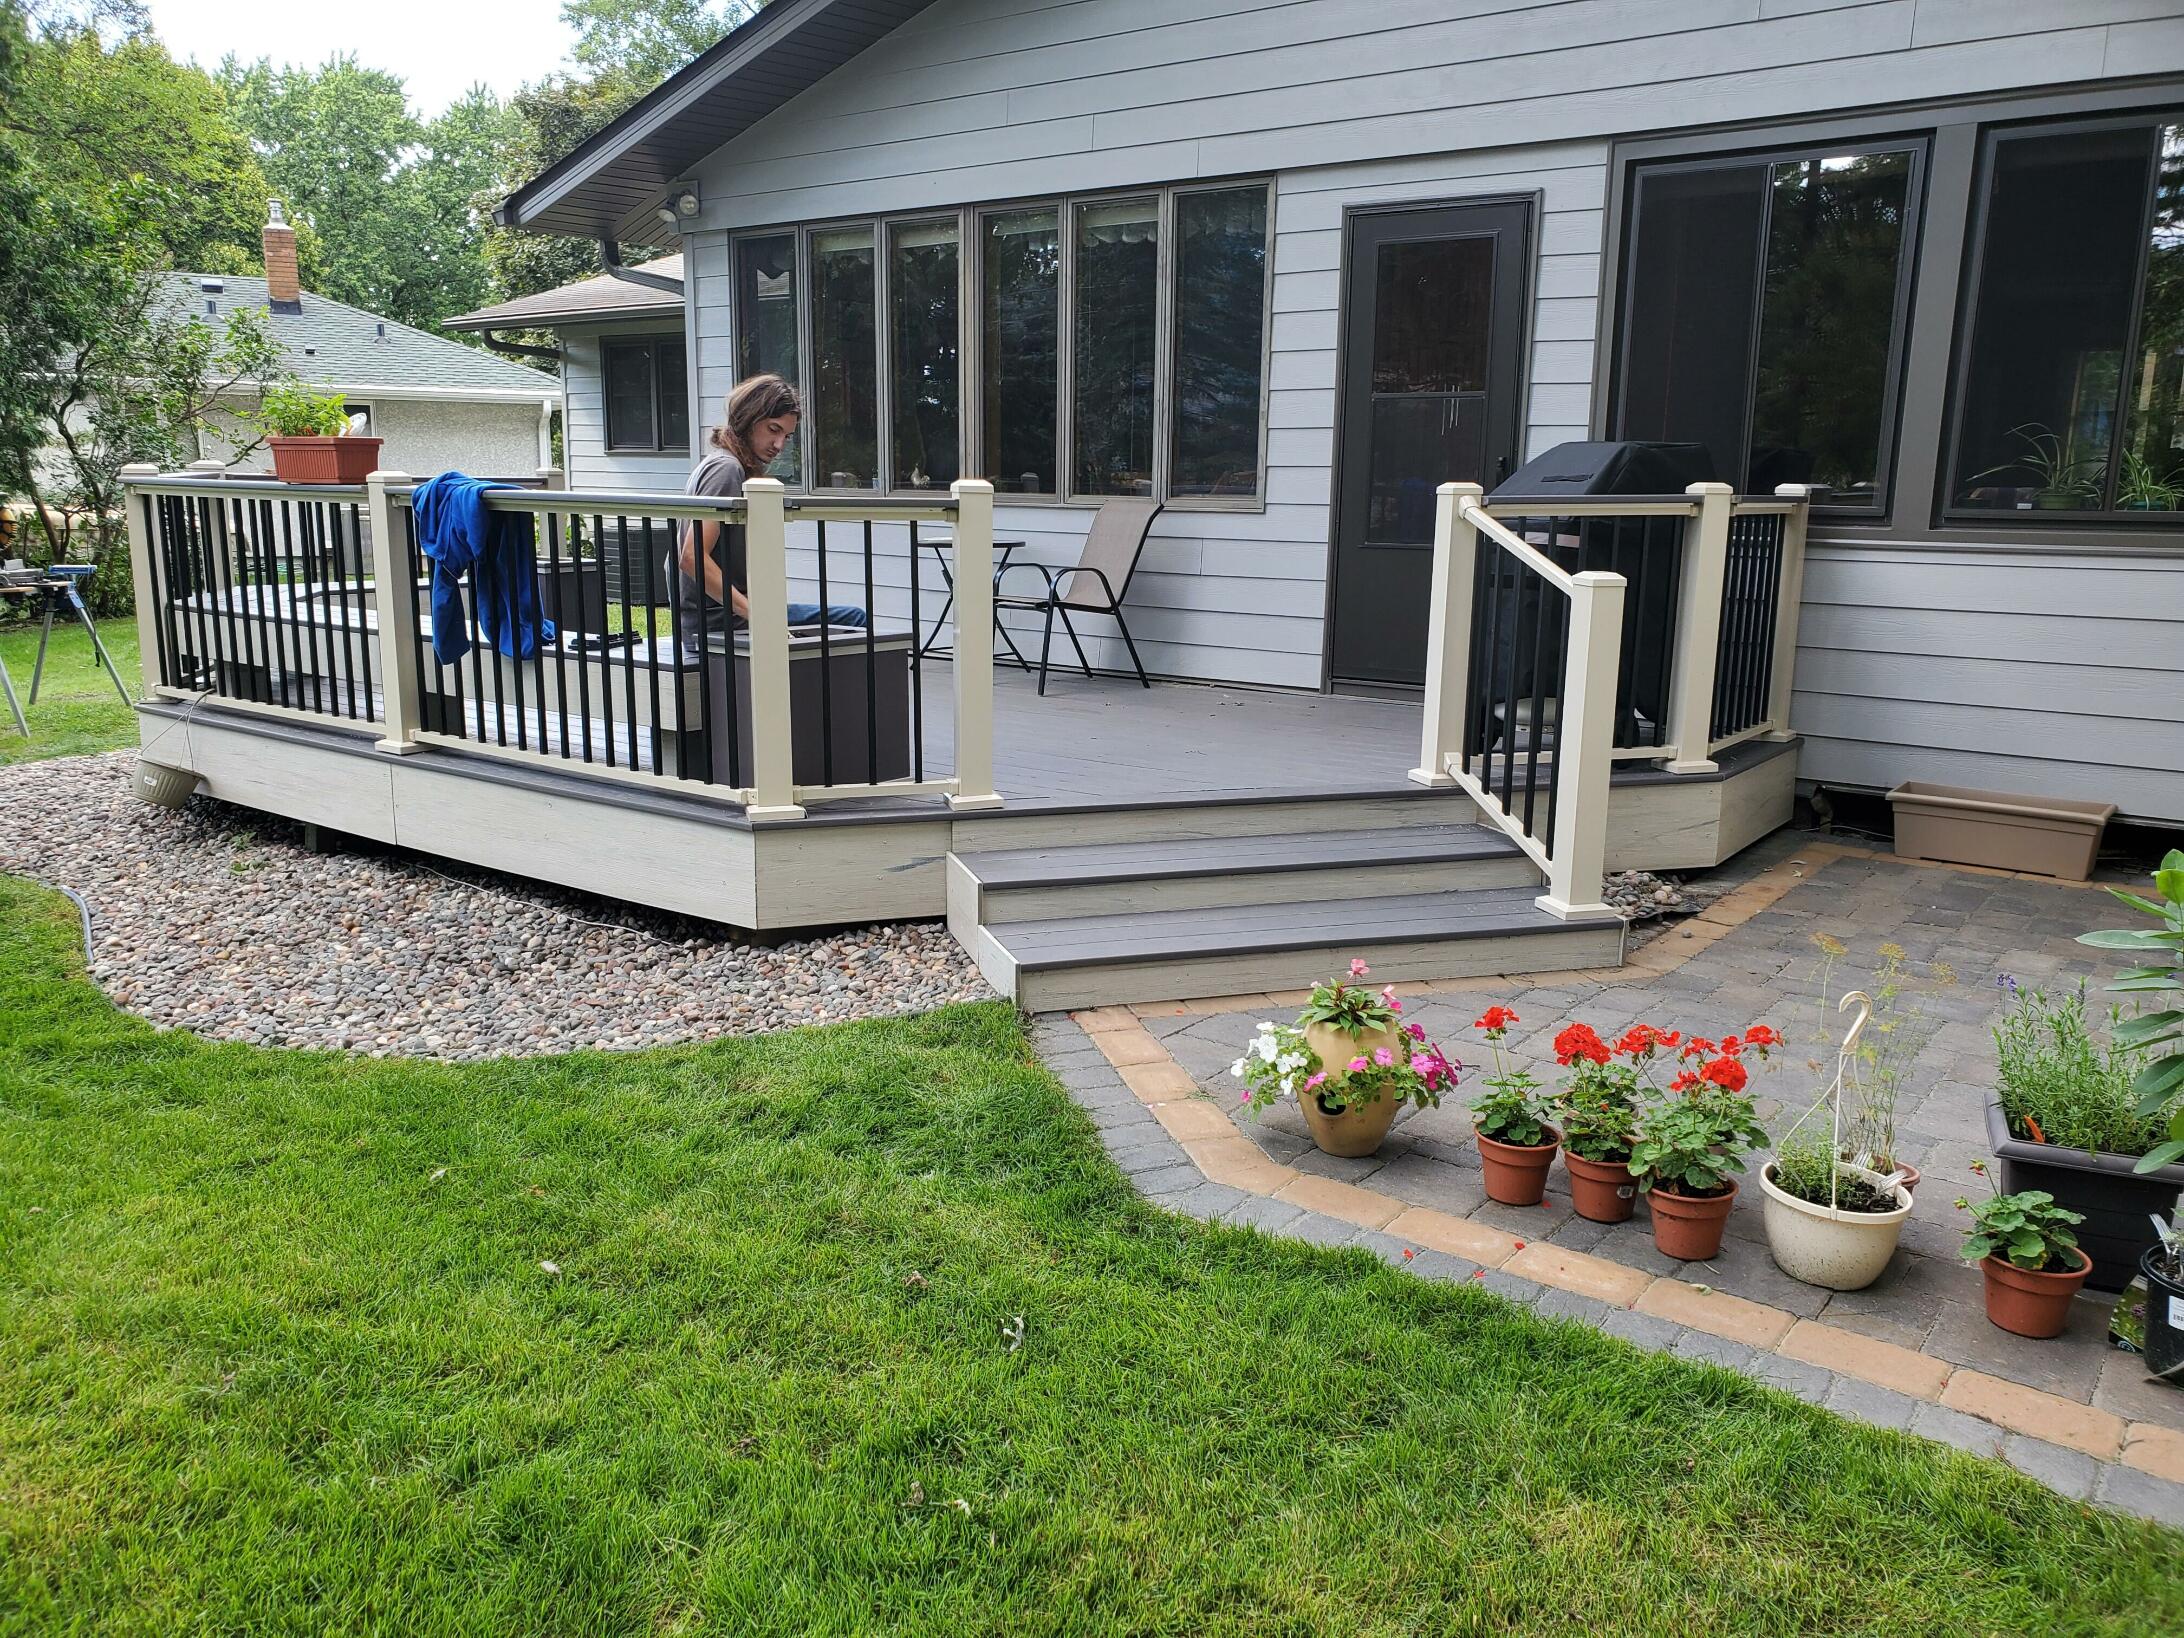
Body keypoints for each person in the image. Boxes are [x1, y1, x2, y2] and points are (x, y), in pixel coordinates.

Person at [676, 374, 867, 649]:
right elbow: (691, 557)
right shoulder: (726, 469)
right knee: (854, 620)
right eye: (773, 429)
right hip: (721, 624)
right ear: (747, 419)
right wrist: (759, 616)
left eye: (786, 436)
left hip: (721, 617)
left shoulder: (722, 464)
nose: (779, 445)